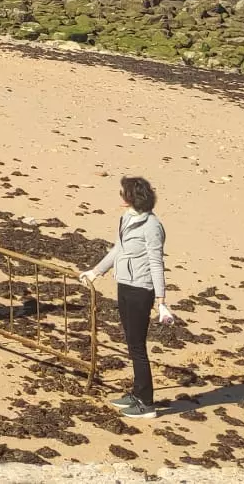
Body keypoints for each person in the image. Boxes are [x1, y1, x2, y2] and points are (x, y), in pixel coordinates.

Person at [79, 174, 174, 418]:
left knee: (137, 347)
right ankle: (137, 393)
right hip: (124, 285)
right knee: (132, 344)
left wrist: (161, 301)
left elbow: (156, 262)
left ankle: (146, 404)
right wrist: (96, 272)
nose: (121, 195)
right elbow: (118, 249)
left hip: (141, 290)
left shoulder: (152, 227)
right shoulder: (127, 217)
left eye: (125, 192)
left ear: (133, 197)